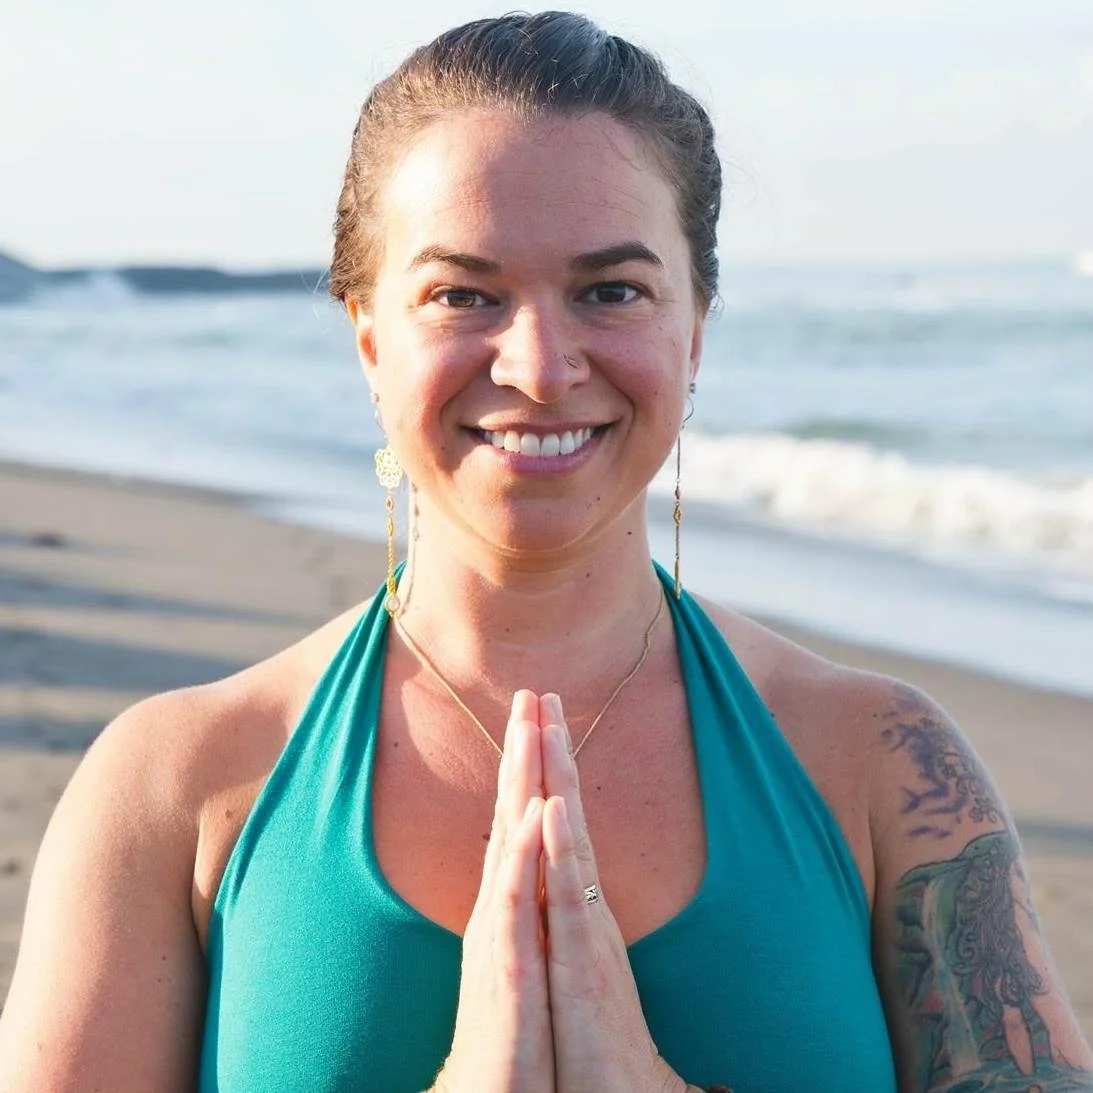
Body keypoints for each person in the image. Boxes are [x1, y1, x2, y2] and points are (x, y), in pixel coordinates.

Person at [0, 11, 1090, 1092]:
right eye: (462, 294)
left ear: (694, 327)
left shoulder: (881, 765)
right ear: (370, 338)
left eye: (609, 290)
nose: (538, 364)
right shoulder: (179, 784)